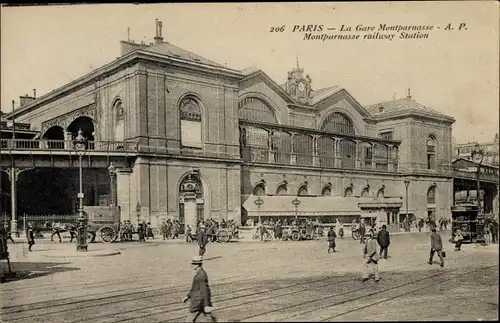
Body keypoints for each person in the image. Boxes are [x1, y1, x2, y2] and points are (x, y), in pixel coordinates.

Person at [182, 256, 216, 322]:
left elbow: (205, 290)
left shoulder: (201, 275)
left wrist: (206, 305)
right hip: (200, 300)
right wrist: (187, 296)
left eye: (193, 264)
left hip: (198, 301)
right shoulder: (199, 273)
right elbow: (195, 287)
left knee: (189, 319)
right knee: (209, 318)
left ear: (198, 265)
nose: (192, 265)